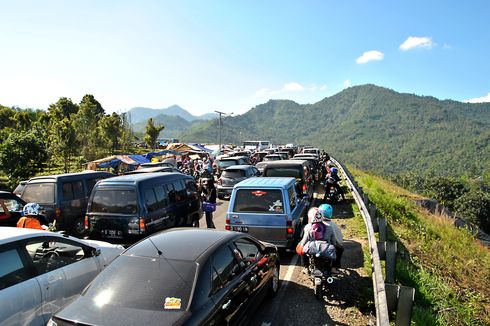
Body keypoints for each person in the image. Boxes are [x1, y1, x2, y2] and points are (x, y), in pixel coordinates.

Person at [318, 203, 344, 273]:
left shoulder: (314, 224)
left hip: (316, 246)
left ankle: (306, 267)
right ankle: (334, 268)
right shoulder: (334, 226)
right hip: (328, 247)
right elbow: (340, 240)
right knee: (340, 249)